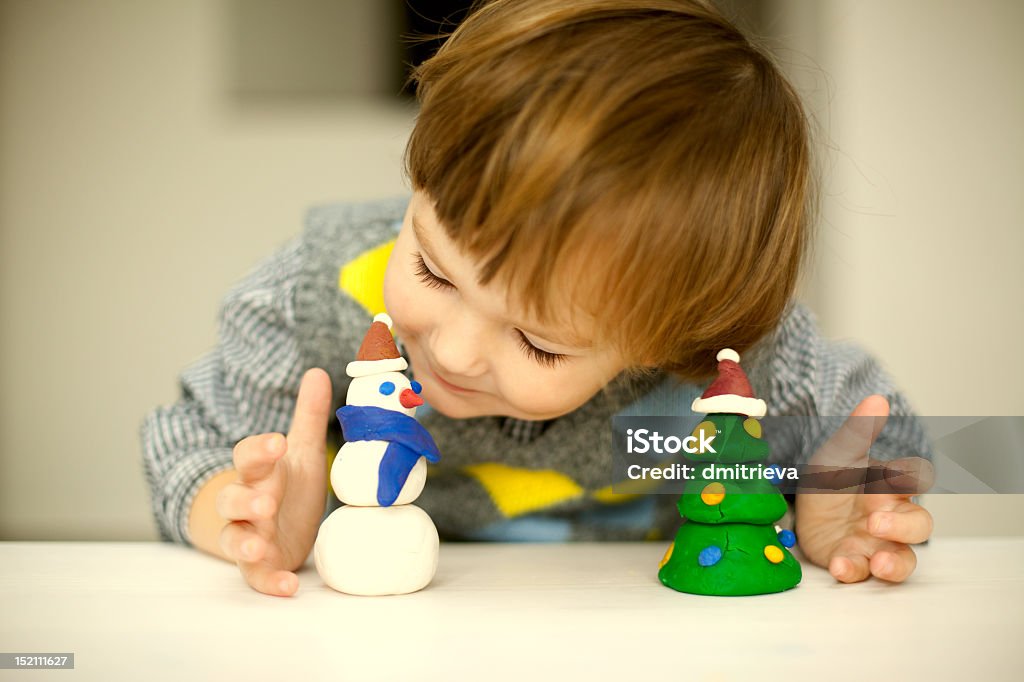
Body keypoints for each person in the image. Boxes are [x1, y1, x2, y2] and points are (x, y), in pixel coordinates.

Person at [141, 0, 934, 597]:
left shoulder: (729, 367)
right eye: (433, 272)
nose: (450, 350)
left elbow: (897, 434)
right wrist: (239, 515)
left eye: (540, 341)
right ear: (418, 184)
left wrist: (830, 504)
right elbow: (183, 439)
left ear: (676, 340)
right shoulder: (309, 299)